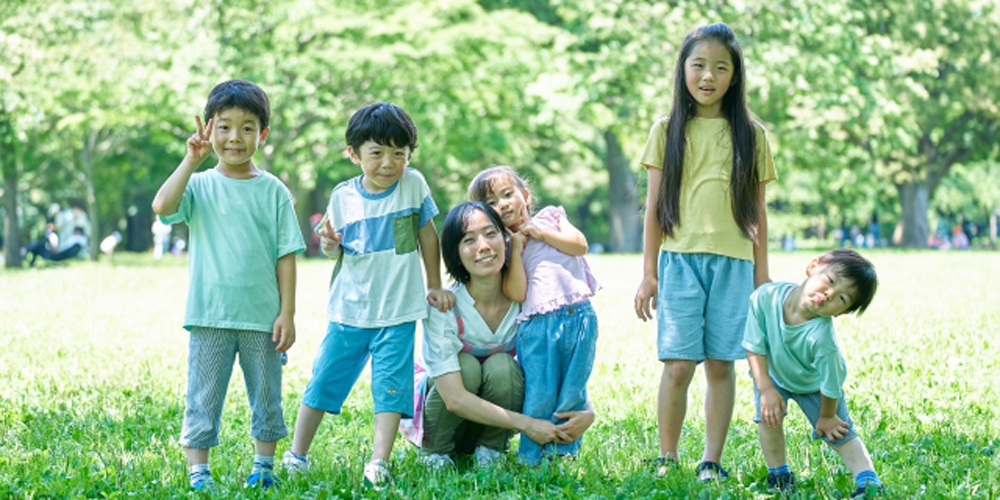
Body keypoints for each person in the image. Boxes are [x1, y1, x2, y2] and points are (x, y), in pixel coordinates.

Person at [282, 102, 455, 489]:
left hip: (398, 313)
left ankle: (379, 460)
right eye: (376, 153)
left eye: (399, 153)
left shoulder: (413, 185)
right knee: (323, 381)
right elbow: (333, 248)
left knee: (392, 390)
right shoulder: (343, 197)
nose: (389, 163)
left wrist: (434, 284)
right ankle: (297, 454)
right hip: (350, 311)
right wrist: (328, 243)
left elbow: (428, 235)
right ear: (354, 153)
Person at [633, 23, 777, 480]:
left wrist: (762, 275)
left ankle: (710, 460)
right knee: (678, 365)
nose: (708, 76)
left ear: (735, 76)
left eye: (721, 67)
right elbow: (653, 208)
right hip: (679, 262)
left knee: (721, 364)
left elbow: (758, 211)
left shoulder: (752, 135)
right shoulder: (666, 129)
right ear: (683, 70)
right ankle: (666, 456)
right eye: (699, 65)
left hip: (734, 263)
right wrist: (649, 273)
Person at [152, 80, 305, 491]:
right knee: (202, 397)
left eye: (247, 127)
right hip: (210, 315)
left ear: (263, 134)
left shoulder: (273, 190)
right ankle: (198, 472)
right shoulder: (198, 186)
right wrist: (190, 160)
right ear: (208, 128)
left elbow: (286, 255)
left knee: (267, 397)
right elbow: (162, 206)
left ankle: (264, 468)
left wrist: (287, 313)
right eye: (224, 126)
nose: (235, 137)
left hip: (262, 317)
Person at [411, 201, 594, 469]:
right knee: (467, 366)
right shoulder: (445, 306)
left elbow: (554, 363)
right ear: (454, 254)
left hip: (493, 423)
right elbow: (453, 399)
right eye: (468, 240)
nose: (483, 246)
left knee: (502, 366)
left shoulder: (527, 301)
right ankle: (437, 454)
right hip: (446, 419)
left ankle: (491, 451)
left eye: (491, 233)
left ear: (506, 239)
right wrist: (529, 425)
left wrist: (587, 410)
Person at [467, 166, 600, 466]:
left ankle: (563, 453)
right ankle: (531, 456)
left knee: (572, 391)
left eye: (507, 194)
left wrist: (542, 233)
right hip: (538, 327)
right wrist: (515, 248)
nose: (502, 204)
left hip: (579, 317)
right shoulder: (501, 245)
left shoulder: (552, 217)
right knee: (540, 393)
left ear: (524, 196)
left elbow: (579, 244)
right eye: (491, 202)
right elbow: (517, 293)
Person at [743, 249, 884, 498]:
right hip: (774, 375)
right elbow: (754, 346)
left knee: (840, 433)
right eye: (830, 281)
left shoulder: (821, 337)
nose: (829, 294)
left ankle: (868, 480)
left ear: (842, 313)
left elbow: (831, 384)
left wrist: (827, 416)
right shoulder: (765, 297)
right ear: (813, 266)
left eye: (842, 298)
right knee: (768, 418)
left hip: (816, 386)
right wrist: (766, 389)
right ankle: (779, 475)